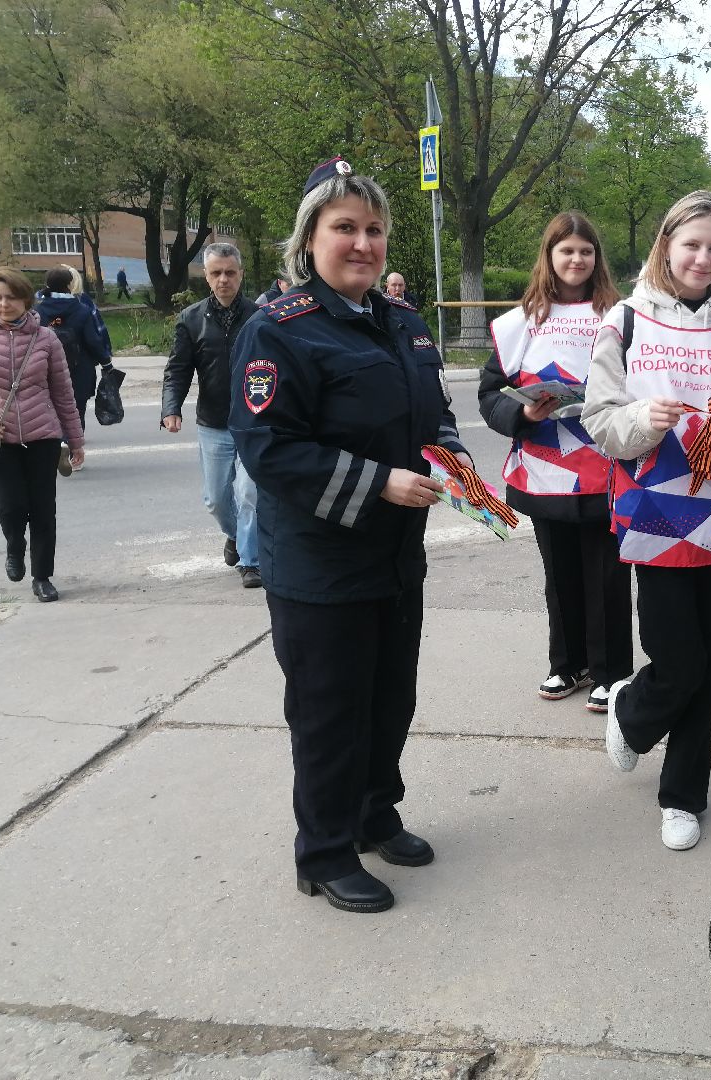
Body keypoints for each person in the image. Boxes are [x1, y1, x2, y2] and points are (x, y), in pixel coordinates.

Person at [229, 156, 470, 914]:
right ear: (310, 240)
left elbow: (430, 413)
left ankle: (374, 815)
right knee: (330, 713)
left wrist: (452, 454)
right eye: (344, 228)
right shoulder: (279, 331)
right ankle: (324, 851)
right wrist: (380, 483)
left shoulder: (403, 324)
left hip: (395, 558)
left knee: (389, 698)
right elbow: (269, 449)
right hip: (321, 566)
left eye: (373, 229)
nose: (363, 243)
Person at [582, 190, 711, 852]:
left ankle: (684, 794)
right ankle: (635, 713)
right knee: (679, 660)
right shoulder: (624, 323)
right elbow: (601, 422)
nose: (702, 257)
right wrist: (641, 420)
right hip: (656, 515)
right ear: (666, 245)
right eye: (691, 244)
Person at [478, 212, 631, 712]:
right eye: (566, 250)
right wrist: (521, 411)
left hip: (608, 468)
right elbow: (487, 393)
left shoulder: (621, 317)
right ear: (549, 256)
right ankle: (567, 663)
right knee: (559, 573)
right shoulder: (521, 322)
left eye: (585, 251)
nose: (576, 259)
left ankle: (612, 671)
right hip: (545, 469)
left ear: (596, 258)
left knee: (606, 575)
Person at [0, 267, 85, 602]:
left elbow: (63, 394)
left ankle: (42, 576)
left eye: (10, 297)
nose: (3, 304)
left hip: (42, 436)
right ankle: (15, 545)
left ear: (26, 299)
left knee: (44, 509)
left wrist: (75, 439)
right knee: (12, 507)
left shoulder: (46, 339)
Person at [162, 242, 263, 588]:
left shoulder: (260, 317)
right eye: (216, 273)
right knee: (217, 499)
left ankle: (251, 561)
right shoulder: (190, 320)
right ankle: (235, 535)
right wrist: (170, 408)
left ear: (241, 275)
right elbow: (177, 369)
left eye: (230, 273)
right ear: (205, 275)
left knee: (250, 492)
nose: (224, 280)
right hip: (213, 422)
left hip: (254, 421)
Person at [35, 267, 107, 435]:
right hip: (79, 370)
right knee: (76, 412)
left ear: (47, 284)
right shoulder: (82, 310)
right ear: (69, 284)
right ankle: (73, 451)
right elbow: (93, 340)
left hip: (46, 371)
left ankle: (56, 451)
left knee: (51, 412)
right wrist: (106, 362)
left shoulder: (37, 311)